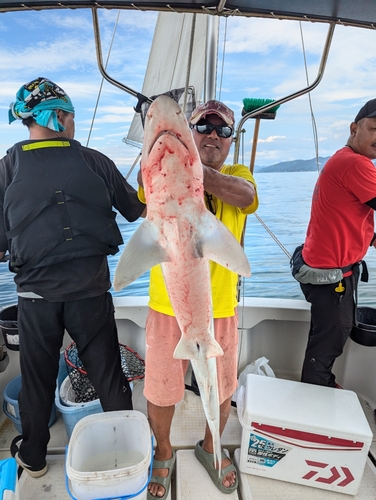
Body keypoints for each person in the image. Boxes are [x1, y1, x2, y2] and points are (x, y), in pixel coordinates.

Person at [0, 77, 146, 477]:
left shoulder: (7, 167)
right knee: (107, 374)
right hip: (90, 294)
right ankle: (127, 450)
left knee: (36, 380)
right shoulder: (96, 161)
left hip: (34, 300)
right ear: (60, 116)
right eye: (71, 116)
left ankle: (31, 456)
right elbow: (136, 210)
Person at [138, 99, 259, 498]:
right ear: (190, 134)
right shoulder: (156, 174)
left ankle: (212, 447)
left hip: (219, 310)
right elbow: (144, 193)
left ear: (231, 141)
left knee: (220, 389)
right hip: (165, 306)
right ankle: (164, 450)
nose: (212, 135)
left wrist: (191, 169)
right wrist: (168, 160)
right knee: (160, 389)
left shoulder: (237, 176)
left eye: (222, 130)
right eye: (202, 128)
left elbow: (244, 195)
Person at [297, 98, 376, 387]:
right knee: (331, 339)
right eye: (375, 128)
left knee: (325, 334)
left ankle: (318, 384)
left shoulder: (344, 158)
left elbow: (349, 213)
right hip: (332, 276)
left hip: (322, 268)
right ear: (355, 128)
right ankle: (317, 394)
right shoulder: (357, 164)